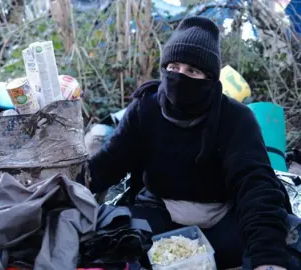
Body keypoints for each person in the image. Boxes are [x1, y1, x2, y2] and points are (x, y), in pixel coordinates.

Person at [85, 17, 299, 270]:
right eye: (173, 67)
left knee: (278, 245)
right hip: (160, 209)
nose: (180, 77)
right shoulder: (145, 108)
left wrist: (267, 259)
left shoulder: (236, 118)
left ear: (210, 79)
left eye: (192, 71)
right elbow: (110, 163)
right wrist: (70, 187)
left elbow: (256, 186)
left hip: (221, 216)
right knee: (115, 242)